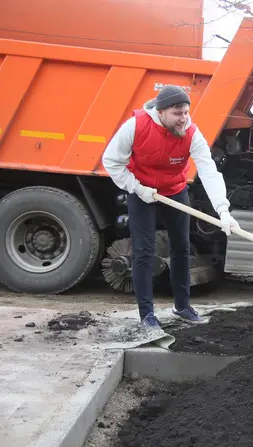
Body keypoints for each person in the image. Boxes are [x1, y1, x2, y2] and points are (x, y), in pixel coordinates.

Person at [102, 85, 239, 331]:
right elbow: (111, 162)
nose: (184, 119)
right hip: (141, 191)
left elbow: (208, 170)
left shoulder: (191, 133)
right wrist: (137, 188)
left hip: (175, 191)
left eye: (186, 112)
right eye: (178, 113)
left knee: (182, 248)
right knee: (144, 251)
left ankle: (182, 306)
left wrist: (223, 211)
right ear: (161, 111)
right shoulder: (135, 127)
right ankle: (147, 316)